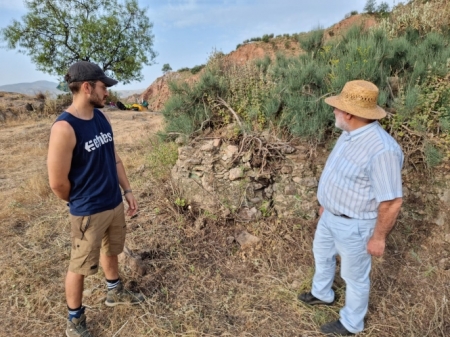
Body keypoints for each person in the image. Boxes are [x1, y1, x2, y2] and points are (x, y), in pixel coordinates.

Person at [298, 80, 404, 336]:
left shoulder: (382, 150)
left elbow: (391, 201)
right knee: (322, 255)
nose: (333, 111)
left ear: (348, 113)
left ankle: (350, 324)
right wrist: (327, 205)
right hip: (330, 216)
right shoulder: (349, 134)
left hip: (356, 225)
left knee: (354, 277)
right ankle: (322, 294)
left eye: (337, 108)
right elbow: (341, 175)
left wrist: (378, 238)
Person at [47, 61, 144, 337]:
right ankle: (75, 321)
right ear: (87, 87)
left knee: (111, 250)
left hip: (113, 203)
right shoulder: (64, 128)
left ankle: (114, 292)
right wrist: (79, 201)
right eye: (103, 87)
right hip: (88, 211)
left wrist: (127, 191)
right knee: (79, 266)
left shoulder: (102, 118)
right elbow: (57, 183)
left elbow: (114, 158)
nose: (107, 93)